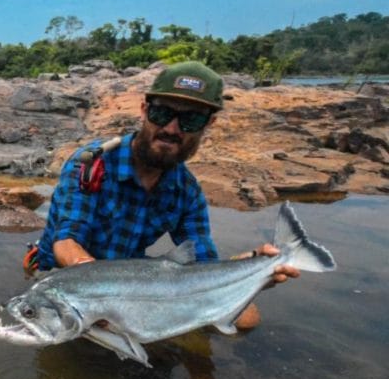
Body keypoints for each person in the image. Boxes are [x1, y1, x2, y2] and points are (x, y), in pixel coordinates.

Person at [31, 61, 300, 329]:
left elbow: (202, 264)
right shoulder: (92, 165)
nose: (171, 129)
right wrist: (100, 292)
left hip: (131, 278)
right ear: (144, 111)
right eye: (162, 114)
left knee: (246, 319)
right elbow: (66, 242)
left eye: (190, 120)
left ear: (209, 124)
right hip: (65, 278)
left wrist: (255, 266)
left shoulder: (187, 192)